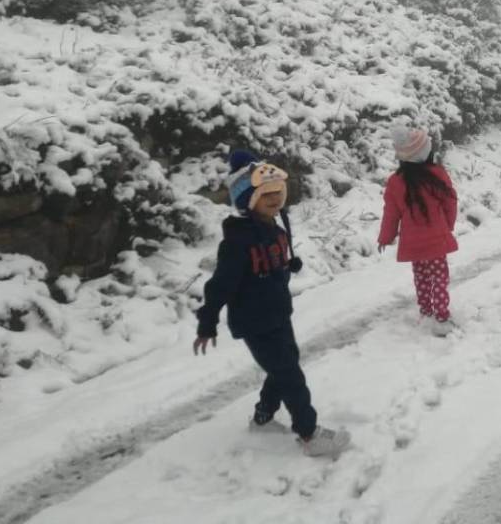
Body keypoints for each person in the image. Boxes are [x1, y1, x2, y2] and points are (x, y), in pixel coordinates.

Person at [194, 150, 350, 457]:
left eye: (279, 193)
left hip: (278, 313)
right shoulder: (237, 243)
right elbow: (220, 285)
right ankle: (309, 434)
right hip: (254, 321)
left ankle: (263, 418)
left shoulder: (276, 229)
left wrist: (286, 266)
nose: (276, 200)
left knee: (284, 366)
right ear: (247, 201)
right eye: (267, 196)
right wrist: (207, 321)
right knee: (291, 375)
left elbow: (272, 263)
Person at [378, 127, 460, 336]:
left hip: (413, 243)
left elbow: (391, 213)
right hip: (435, 240)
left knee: (422, 277)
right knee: (439, 278)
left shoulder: (396, 182)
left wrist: (385, 237)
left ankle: (426, 310)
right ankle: (441, 316)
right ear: (425, 153)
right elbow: (450, 203)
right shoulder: (438, 175)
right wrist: (447, 226)